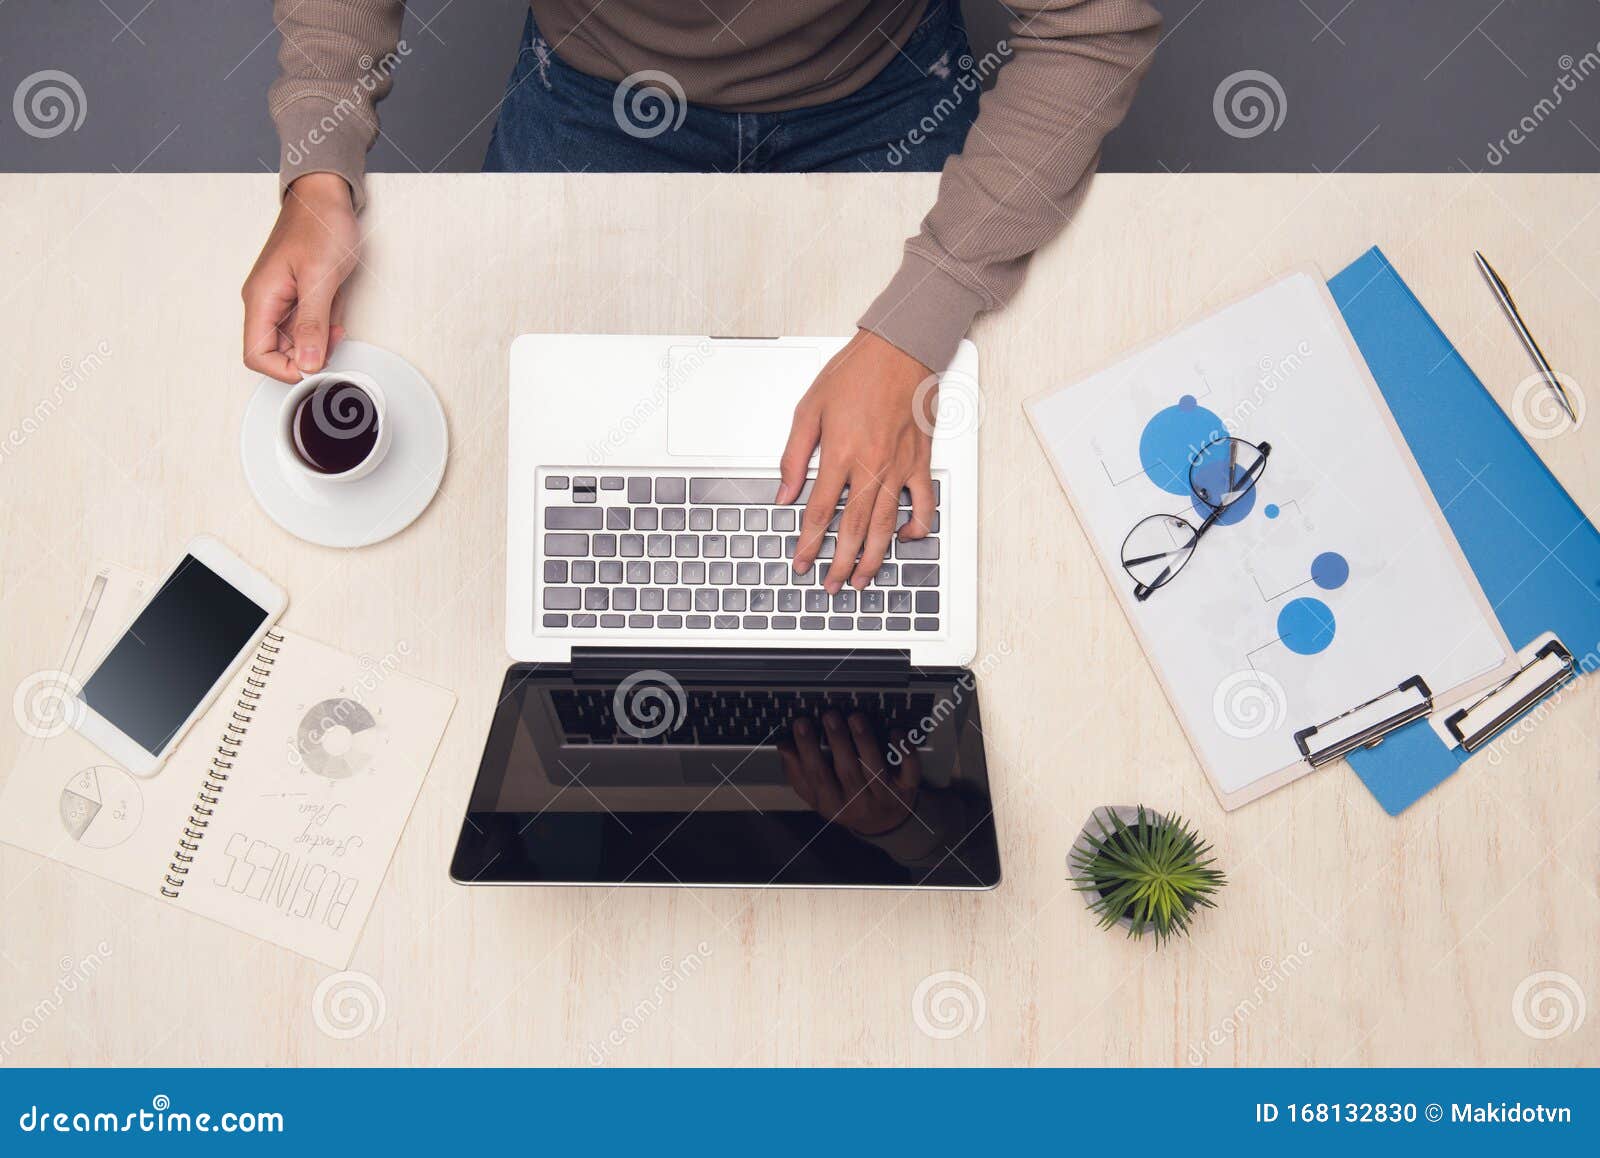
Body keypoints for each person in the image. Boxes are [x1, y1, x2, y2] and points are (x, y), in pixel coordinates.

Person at [243, 0, 1160, 594]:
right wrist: (318, 174)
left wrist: (919, 325)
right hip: (588, 100)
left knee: (937, 521)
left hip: (884, 92)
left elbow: (1090, 26)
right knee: (521, 516)